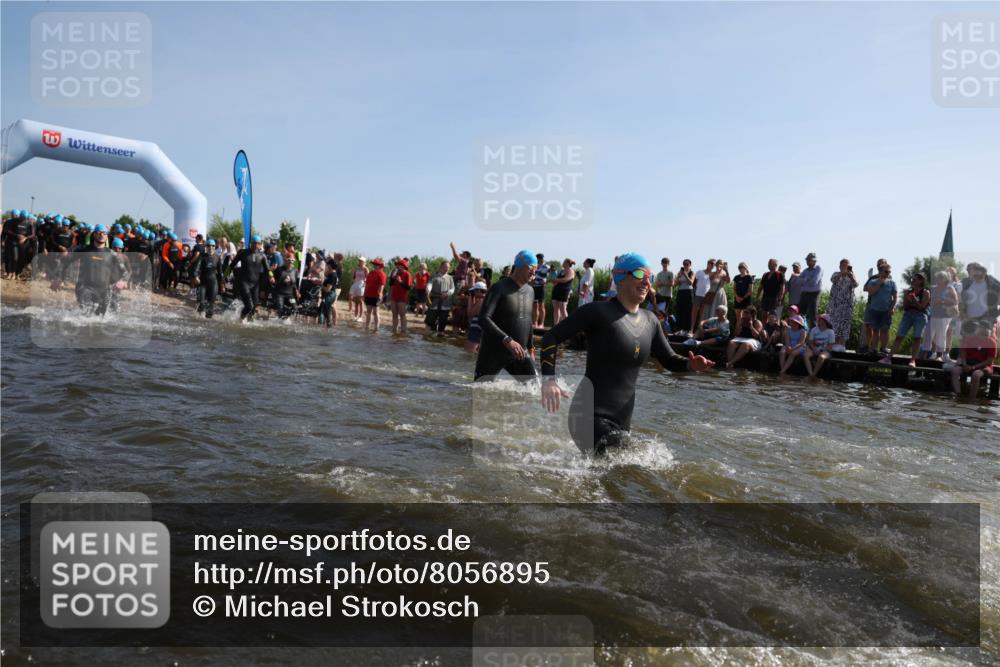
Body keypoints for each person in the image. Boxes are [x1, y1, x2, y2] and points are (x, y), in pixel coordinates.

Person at [539, 253, 714, 455]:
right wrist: (549, 380)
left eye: (650, 276)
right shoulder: (597, 312)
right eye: (640, 274)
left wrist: (691, 365)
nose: (647, 281)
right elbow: (550, 338)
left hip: (621, 421)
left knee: (618, 477)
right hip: (588, 416)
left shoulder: (651, 321)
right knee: (631, 466)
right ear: (619, 277)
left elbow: (670, 360)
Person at [474, 250, 538, 381]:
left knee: (534, 390)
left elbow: (527, 320)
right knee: (480, 391)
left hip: (519, 352)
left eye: (536, 269)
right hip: (493, 351)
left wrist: (531, 348)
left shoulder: (530, 291)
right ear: (519, 266)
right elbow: (484, 318)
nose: (534, 272)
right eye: (531, 268)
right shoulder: (499, 287)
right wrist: (507, 340)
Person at [51, 224, 129, 316]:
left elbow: (125, 272)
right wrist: (58, 278)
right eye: (99, 233)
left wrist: (123, 281)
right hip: (84, 287)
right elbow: (65, 262)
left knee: (101, 318)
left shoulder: (112, 254)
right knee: (87, 314)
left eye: (104, 233)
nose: (101, 235)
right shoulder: (84, 249)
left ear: (107, 236)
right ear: (94, 234)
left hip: (104, 290)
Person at [880, 273, 930, 367]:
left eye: (915, 279)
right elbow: (905, 306)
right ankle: (888, 358)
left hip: (920, 316)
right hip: (908, 315)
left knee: (917, 338)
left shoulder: (925, 292)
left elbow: (922, 307)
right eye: (912, 279)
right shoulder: (908, 291)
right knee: (899, 336)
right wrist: (908, 300)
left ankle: (913, 360)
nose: (912, 281)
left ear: (921, 281)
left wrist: (915, 300)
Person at [950, 319, 997, 399]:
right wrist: (964, 364)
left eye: (982, 328)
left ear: (987, 330)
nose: (978, 329)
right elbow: (963, 353)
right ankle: (958, 394)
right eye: (979, 327)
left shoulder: (992, 343)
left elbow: (989, 361)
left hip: (983, 366)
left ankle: (972, 398)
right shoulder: (969, 338)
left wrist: (973, 367)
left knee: (976, 375)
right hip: (968, 362)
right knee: (955, 371)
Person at [231, 234, 270, 321]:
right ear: (250, 243)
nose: (255, 245)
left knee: (254, 307)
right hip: (244, 283)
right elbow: (231, 265)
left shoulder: (262, 256)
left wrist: (271, 277)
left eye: (257, 243)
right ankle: (241, 320)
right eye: (253, 243)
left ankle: (249, 322)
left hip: (255, 285)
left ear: (260, 245)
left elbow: (267, 269)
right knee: (249, 306)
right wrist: (223, 277)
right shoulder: (243, 252)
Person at [862, 262, 897, 355]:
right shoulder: (873, 281)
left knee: (885, 330)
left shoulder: (892, 283)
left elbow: (895, 297)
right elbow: (871, 292)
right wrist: (879, 284)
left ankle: (883, 348)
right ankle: (873, 349)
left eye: (889, 272)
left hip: (886, 311)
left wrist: (891, 308)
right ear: (880, 271)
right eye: (886, 271)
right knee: (875, 331)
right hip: (874, 310)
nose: (888, 273)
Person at [928, 271, 959, 361]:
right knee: (933, 335)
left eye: (941, 277)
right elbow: (929, 300)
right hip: (934, 314)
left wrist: (941, 301)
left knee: (941, 335)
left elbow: (955, 301)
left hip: (945, 315)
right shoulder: (933, 288)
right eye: (938, 277)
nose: (938, 279)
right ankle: (933, 353)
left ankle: (939, 355)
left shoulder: (950, 288)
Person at [828, 259, 858, 350]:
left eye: (847, 265)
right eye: (843, 265)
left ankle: (842, 345)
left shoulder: (852, 275)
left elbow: (856, 284)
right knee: (834, 324)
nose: (845, 267)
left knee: (845, 325)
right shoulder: (836, 274)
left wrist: (851, 276)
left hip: (846, 306)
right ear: (840, 266)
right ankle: (833, 344)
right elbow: (832, 280)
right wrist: (842, 273)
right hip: (835, 305)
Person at [190, 239, 222, 318]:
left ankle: (208, 323)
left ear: (215, 247)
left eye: (212, 246)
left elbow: (220, 273)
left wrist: (222, 284)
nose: (210, 247)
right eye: (208, 246)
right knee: (201, 303)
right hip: (202, 283)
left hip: (213, 283)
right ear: (206, 247)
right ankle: (199, 321)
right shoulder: (202, 256)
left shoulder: (217, 258)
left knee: (210, 305)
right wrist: (196, 276)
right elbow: (196, 268)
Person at [961, 262, 1000, 326]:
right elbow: (959, 299)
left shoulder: (991, 282)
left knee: (985, 335)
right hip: (969, 319)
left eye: (970, 269)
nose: (968, 272)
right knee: (968, 335)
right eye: (967, 270)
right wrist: (962, 313)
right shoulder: (965, 282)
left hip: (987, 319)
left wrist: (995, 314)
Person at [426, 261, 455, 335]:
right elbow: (429, 284)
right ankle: (431, 339)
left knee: (443, 322)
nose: (446, 269)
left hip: (445, 303)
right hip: (434, 302)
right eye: (445, 267)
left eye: (448, 267)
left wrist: (447, 294)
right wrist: (428, 290)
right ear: (441, 267)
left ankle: (440, 337)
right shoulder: (434, 276)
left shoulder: (450, 278)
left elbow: (452, 289)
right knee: (432, 322)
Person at [806, 313, 837, 377]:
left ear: (825, 322)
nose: (819, 321)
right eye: (819, 320)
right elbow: (810, 342)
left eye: (821, 320)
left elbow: (830, 346)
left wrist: (820, 350)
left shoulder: (830, 332)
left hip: (826, 350)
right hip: (814, 349)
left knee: (821, 357)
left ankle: (814, 374)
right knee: (806, 355)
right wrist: (814, 348)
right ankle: (810, 373)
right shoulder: (814, 329)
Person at [798, 252, 824, 326]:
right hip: (804, 294)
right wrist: (808, 279)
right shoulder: (805, 270)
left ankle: (812, 335)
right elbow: (798, 282)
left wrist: (804, 280)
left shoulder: (819, 269)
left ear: (814, 261)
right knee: (801, 315)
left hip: (814, 294)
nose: (808, 261)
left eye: (810, 260)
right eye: (807, 260)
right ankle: (802, 333)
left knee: (812, 316)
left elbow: (814, 282)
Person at [389, 258, 412, 334]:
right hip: (394, 296)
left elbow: (408, 287)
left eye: (399, 265)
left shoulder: (407, 274)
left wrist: (401, 281)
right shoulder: (395, 273)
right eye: (397, 265)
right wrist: (393, 276)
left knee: (402, 315)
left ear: (403, 266)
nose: (398, 267)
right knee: (394, 314)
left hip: (402, 297)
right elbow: (391, 284)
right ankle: (394, 330)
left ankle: (403, 331)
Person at [550, 259, 576, 325]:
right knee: (556, 308)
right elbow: (556, 281)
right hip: (556, 290)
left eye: (564, 261)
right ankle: (556, 326)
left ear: (567, 263)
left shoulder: (571, 271)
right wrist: (553, 281)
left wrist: (556, 280)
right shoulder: (561, 270)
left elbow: (566, 279)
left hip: (564, 291)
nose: (563, 263)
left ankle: (567, 326)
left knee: (563, 309)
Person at [363, 258, 387, 331]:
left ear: (380, 266)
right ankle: (367, 327)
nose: (375, 266)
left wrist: (380, 294)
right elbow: (367, 283)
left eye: (377, 265)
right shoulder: (371, 273)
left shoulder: (382, 274)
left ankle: (376, 328)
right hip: (368, 294)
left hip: (376, 295)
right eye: (374, 264)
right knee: (368, 311)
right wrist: (364, 293)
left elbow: (382, 285)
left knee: (376, 312)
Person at [465, 281, 488, 353]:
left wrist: (470, 298)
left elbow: (470, 313)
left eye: (474, 292)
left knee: (469, 352)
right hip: (482, 329)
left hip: (476, 329)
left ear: (478, 290)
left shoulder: (481, 301)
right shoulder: (488, 299)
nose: (473, 294)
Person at [674, 259, 695, 332]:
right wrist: (679, 276)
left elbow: (691, 282)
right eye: (684, 264)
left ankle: (687, 329)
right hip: (680, 292)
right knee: (679, 310)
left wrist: (685, 275)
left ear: (690, 265)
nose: (685, 266)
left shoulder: (691, 273)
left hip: (688, 292)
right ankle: (679, 328)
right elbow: (675, 284)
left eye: (687, 264)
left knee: (687, 310)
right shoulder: (680, 273)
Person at [319, 261, 340, 328]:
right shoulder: (330, 274)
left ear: (331, 266)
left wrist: (320, 285)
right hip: (328, 295)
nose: (327, 266)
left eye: (328, 265)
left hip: (330, 295)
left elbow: (328, 289)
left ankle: (325, 327)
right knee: (322, 310)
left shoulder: (333, 275)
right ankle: (325, 326)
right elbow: (325, 275)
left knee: (324, 311)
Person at [532, 253, 551, 327]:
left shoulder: (547, 266)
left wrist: (546, 280)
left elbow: (550, 277)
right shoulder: (534, 266)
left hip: (541, 287)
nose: (537, 260)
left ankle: (541, 323)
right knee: (535, 305)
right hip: (534, 286)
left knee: (541, 305)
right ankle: (535, 323)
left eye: (538, 259)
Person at [348, 257, 368, 321]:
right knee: (356, 301)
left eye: (361, 261)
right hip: (356, 284)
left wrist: (365, 284)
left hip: (362, 285)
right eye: (359, 261)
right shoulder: (356, 268)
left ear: (364, 262)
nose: (360, 262)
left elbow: (368, 278)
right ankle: (355, 316)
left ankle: (360, 317)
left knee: (361, 301)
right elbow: (352, 276)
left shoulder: (366, 269)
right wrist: (353, 281)